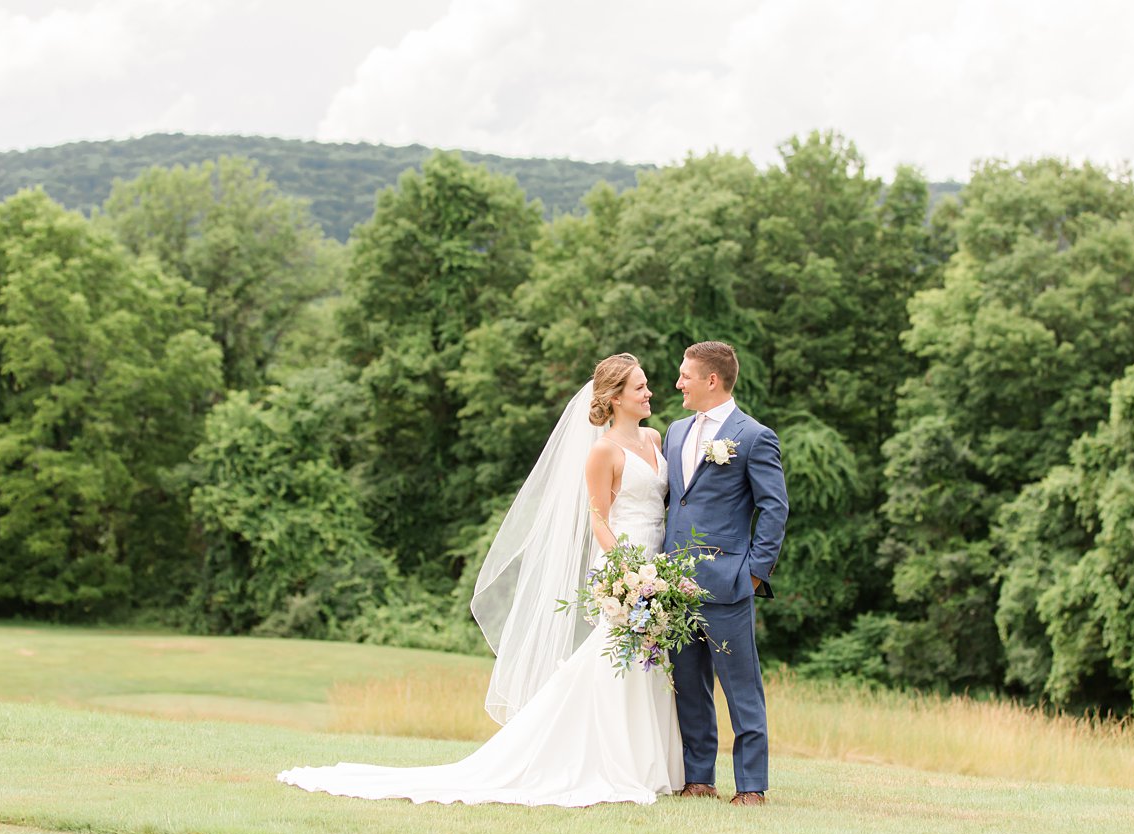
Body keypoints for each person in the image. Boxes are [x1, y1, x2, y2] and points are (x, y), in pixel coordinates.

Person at [277, 354, 684, 806]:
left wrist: (660, 570)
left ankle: (651, 765)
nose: (650, 392)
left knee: (647, 658)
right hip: (624, 566)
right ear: (614, 398)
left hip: (657, 563)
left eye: (646, 386)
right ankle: (609, 762)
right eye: (640, 387)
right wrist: (628, 571)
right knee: (615, 658)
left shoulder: (653, 438)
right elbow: (598, 522)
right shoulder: (603, 451)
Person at [664, 341, 789, 806]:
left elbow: (774, 509)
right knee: (688, 687)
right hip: (671, 585)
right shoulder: (674, 432)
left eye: (685, 375)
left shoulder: (754, 436)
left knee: (741, 688)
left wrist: (753, 573)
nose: (678, 383)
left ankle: (752, 786)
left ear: (711, 380)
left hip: (729, 583)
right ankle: (699, 779)